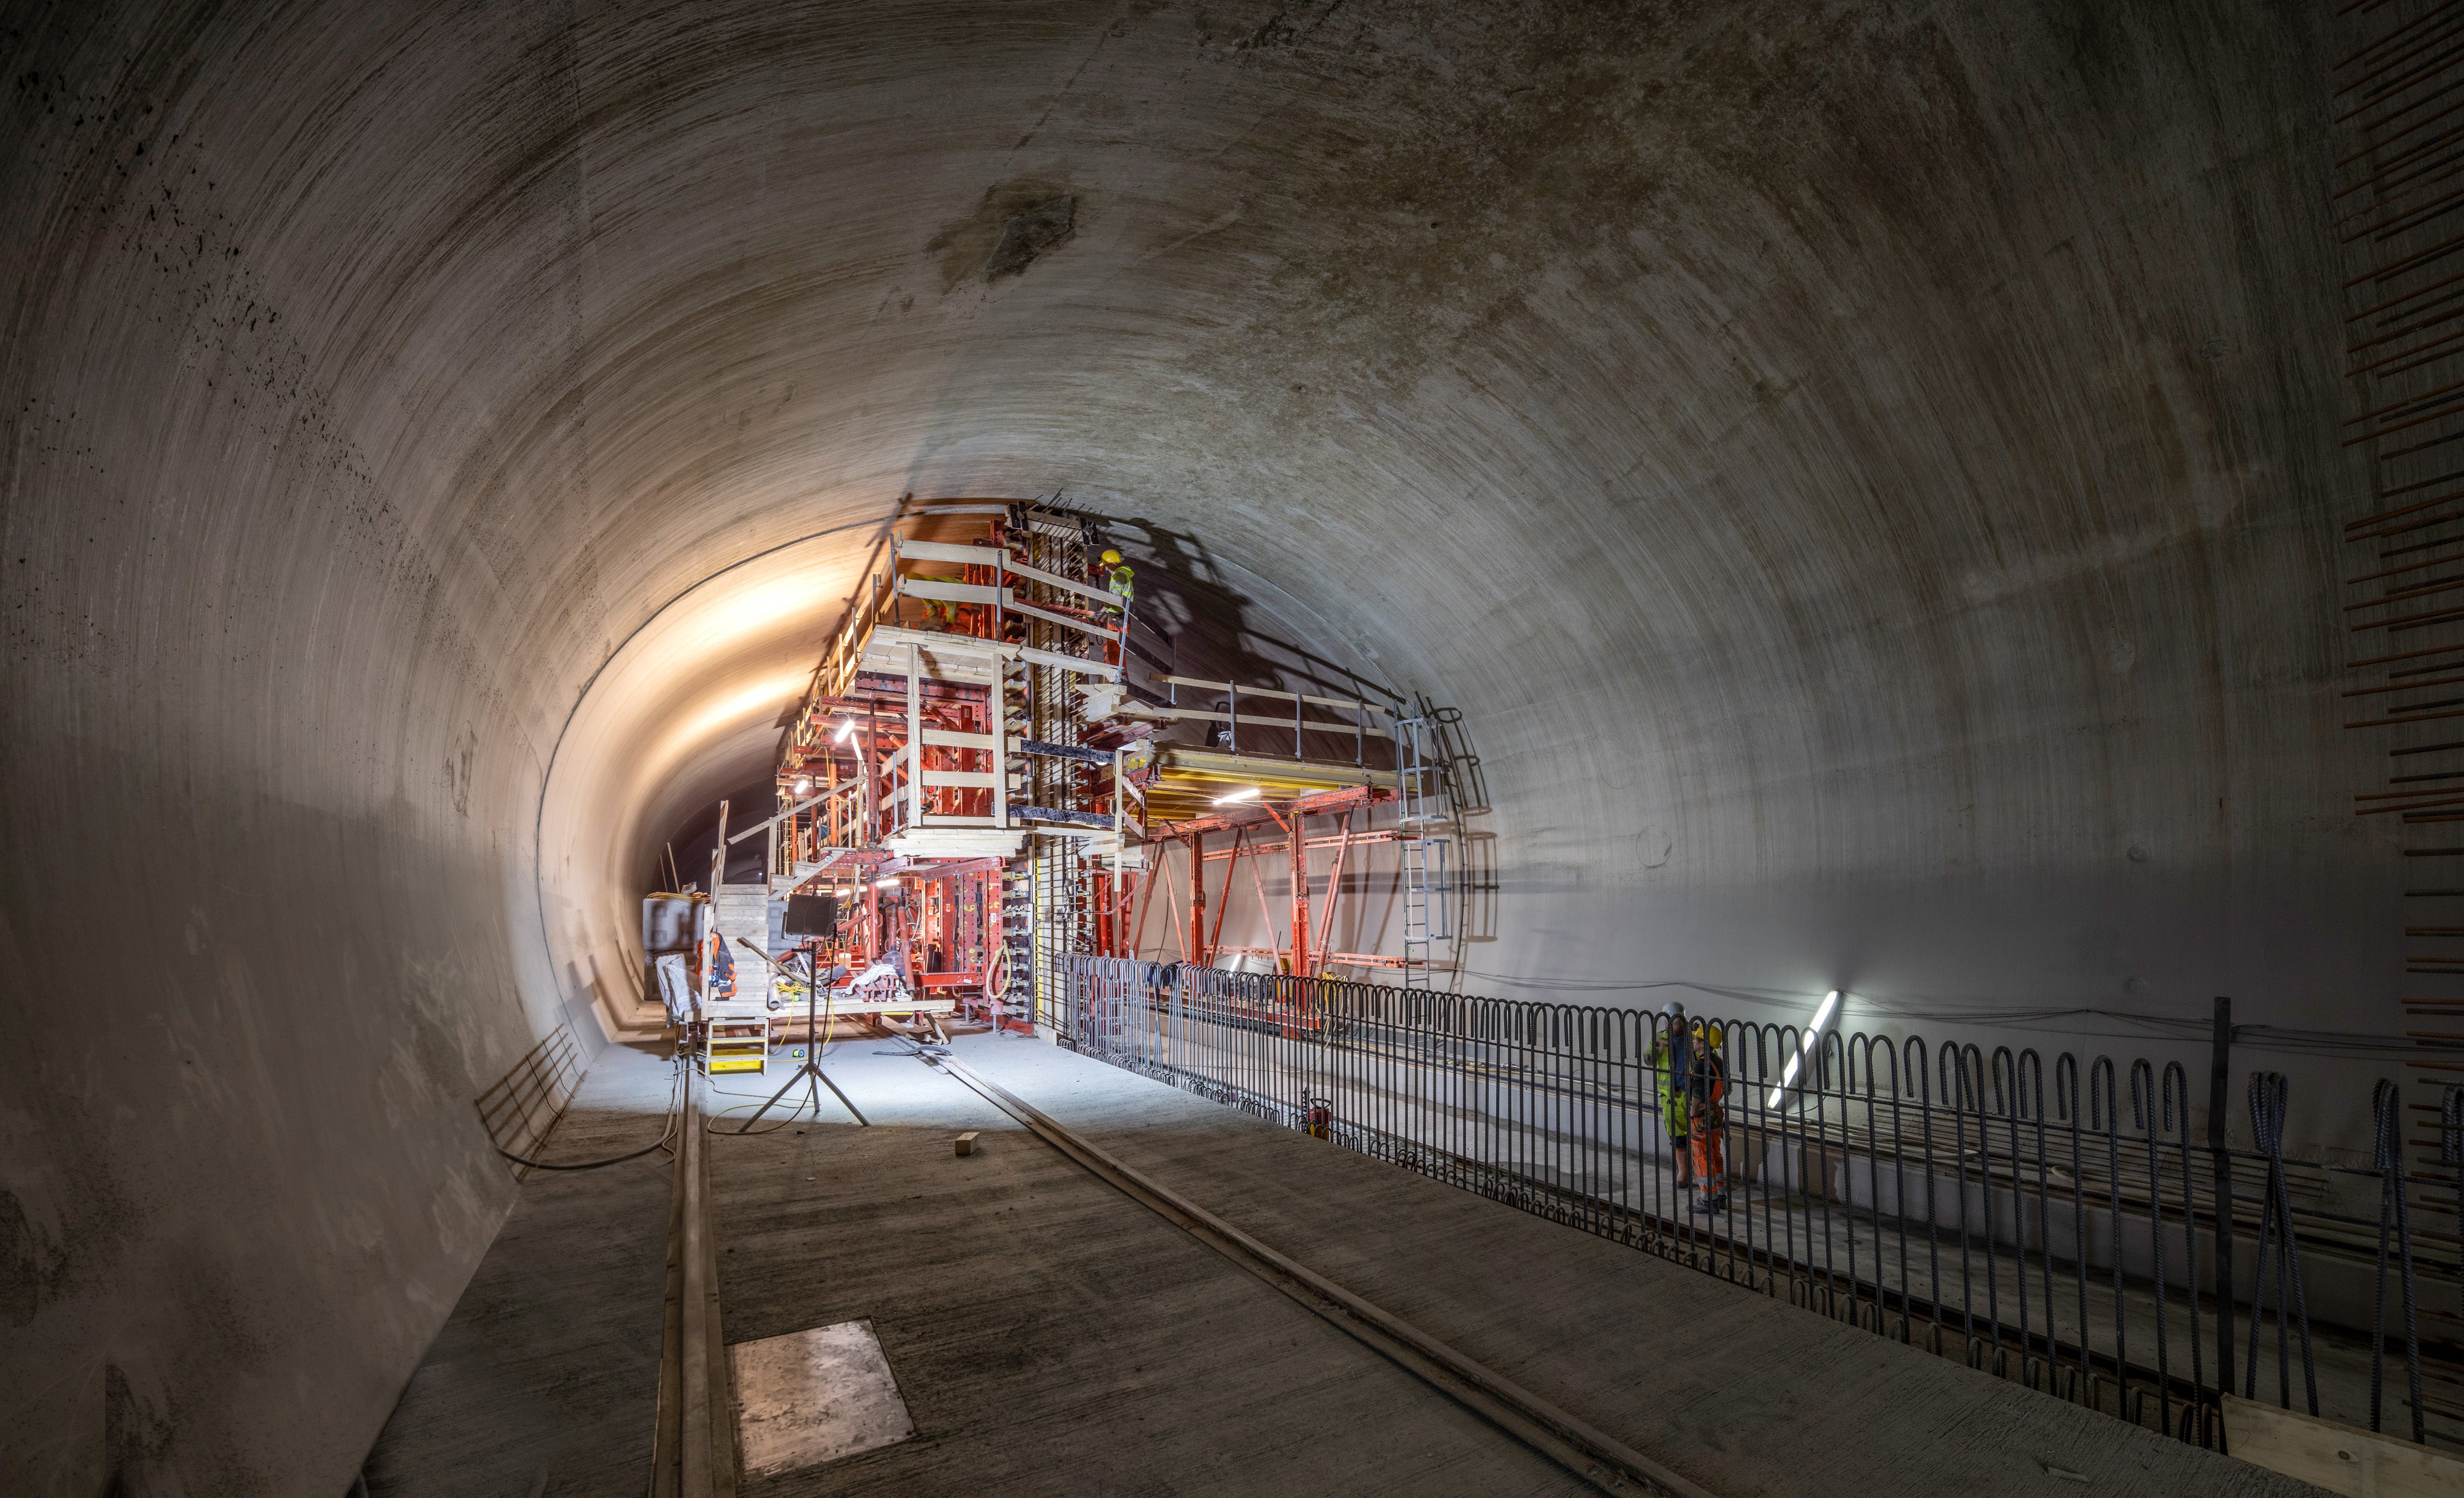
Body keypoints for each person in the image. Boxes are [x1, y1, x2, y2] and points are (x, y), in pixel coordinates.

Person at [1679, 1016, 1730, 1214]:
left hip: (1702, 1116)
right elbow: (1726, 1087)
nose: (1693, 1042)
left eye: (1696, 1040)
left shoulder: (1702, 1065)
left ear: (1703, 1044)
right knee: (1716, 1154)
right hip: (1717, 1113)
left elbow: (1698, 1092)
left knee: (1702, 1156)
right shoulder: (1720, 1061)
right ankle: (1720, 1196)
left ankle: (1707, 1200)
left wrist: (1693, 1111)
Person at [1647, 1003, 1694, 1201]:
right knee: (1677, 1139)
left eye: (1677, 1021)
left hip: (1693, 1096)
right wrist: (1660, 1047)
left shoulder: (1695, 1038)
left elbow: (1711, 1059)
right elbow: (1649, 1060)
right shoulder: (1661, 1039)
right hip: (1671, 1098)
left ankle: (1703, 1175)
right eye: (1670, 1022)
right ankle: (1683, 1174)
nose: (1674, 1025)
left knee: (1699, 1138)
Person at [1098, 548, 1134, 612]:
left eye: (1107, 566)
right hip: (1121, 610)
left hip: (1117, 611)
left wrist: (1101, 611)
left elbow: (1114, 597)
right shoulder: (1122, 573)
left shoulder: (1119, 575)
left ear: (1114, 564)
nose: (1106, 569)